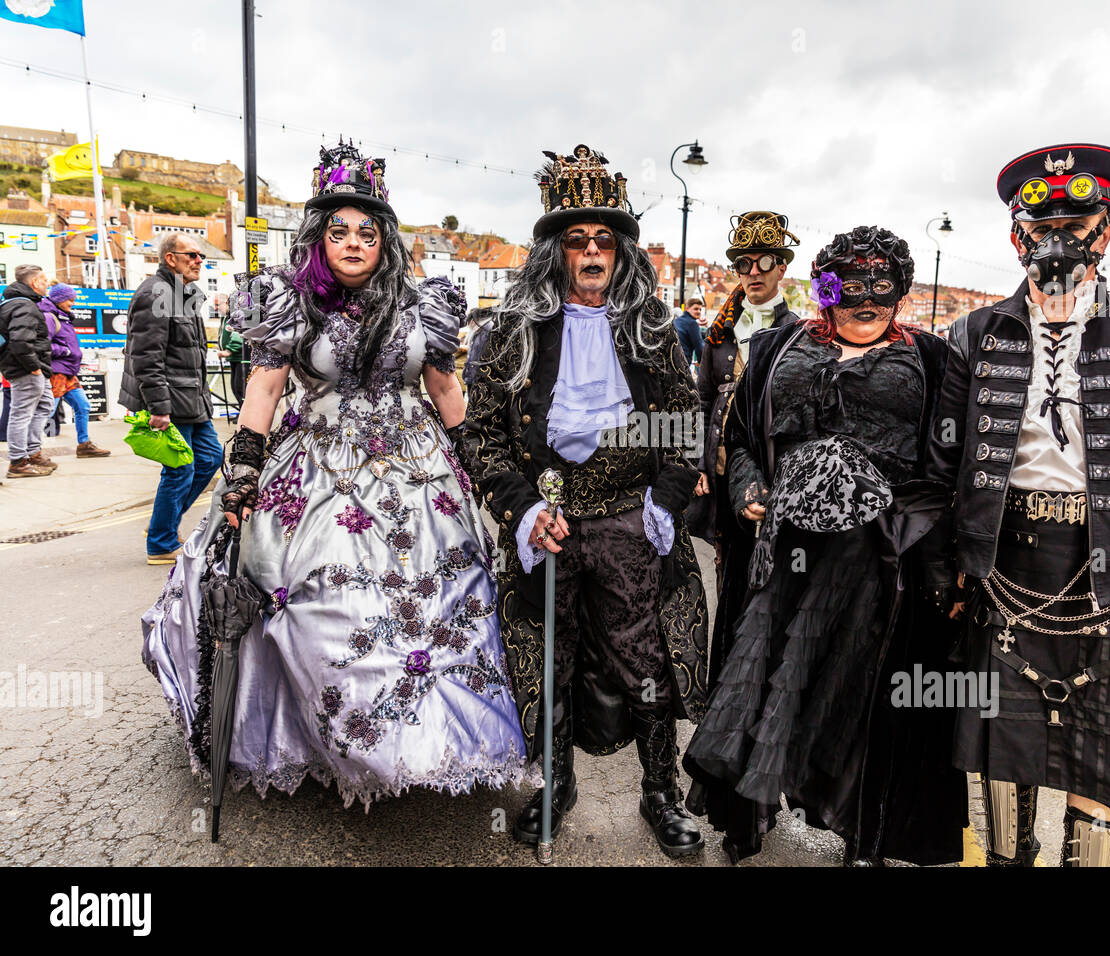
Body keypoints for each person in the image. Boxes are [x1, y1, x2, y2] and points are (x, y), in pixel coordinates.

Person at [140, 140, 527, 807]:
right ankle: (333, 741)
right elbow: (263, 391)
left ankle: (433, 747)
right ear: (320, 240)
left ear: (385, 242)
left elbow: (444, 391)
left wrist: (477, 462)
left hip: (416, 473)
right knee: (305, 593)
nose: (352, 243)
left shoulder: (421, 307)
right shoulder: (289, 303)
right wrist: (243, 474)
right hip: (315, 469)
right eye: (338, 231)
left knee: (441, 601)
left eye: (366, 233)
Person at [929, 144, 1110, 867]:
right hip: (1004, 567)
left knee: (1102, 773)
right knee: (1004, 762)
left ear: (1107, 229)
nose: (1058, 233)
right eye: (1040, 218)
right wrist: (944, 567)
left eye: (1076, 217)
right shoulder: (972, 333)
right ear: (1015, 234)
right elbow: (945, 465)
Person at [683, 225, 967, 865]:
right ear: (826, 288)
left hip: (876, 558)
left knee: (854, 692)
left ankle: (862, 832)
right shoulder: (778, 347)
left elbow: (951, 465)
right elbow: (743, 438)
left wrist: (939, 558)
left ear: (900, 290)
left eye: (882, 285)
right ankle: (743, 815)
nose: (867, 300)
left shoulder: (931, 360)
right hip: (782, 550)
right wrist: (748, 488)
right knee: (759, 675)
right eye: (851, 285)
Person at [463, 143, 709, 857]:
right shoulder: (510, 332)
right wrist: (521, 509)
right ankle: (557, 785)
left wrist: (665, 499)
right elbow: (481, 435)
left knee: (646, 662)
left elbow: (684, 423)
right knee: (550, 658)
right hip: (547, 527)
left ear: (622, 253)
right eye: (578, 242)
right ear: (557, 255)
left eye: (605, 240)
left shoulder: (653, 329)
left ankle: (659, 793)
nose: (594, 252)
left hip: (631, 521)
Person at [693, 211, 800, 553]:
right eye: (744, 263)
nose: (754, 272)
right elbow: (703, 400)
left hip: (768, 474)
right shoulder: (720, 329)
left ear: (781, 268)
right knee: (725, 561)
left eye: (764, 262)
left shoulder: (797, 333)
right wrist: (699, 465)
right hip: (719, 469)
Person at [120, 233, 224, 564]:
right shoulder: (155, 294)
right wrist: (159, 407)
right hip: (171, 399)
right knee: (180, 468)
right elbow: (147, 357)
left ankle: (161, 525)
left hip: (191, 398)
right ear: (170, 258)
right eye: (192, 255)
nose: (199, 261)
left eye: (201, 256)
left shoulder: (184, 294)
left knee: (209, 458)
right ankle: (161, 543)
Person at [41, 283, 110, 457]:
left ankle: (84, 445)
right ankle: (32, 450)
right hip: (57, 372)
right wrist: (65, 351)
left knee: (83, 406)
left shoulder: (63, 316)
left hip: (68, 372)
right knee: (47, 411)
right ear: (59, 299)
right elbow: (43, 344)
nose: (73, 302)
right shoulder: (49, 317)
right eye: (70, 299)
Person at [1, 264, 57, 478]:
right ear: (34, 282)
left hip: (33, 368)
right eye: (44, 281)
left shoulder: (20, 303)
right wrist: (33, 368)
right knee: (21, 413)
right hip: (27, 369)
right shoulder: (24, 306)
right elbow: (20, 341)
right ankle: (17, 462)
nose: (47, 285)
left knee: (45, 405)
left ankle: (33, 452)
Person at [673, 297, 706, 370]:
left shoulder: (677, 321)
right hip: (683, 362)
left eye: (700, 309)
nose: (698, 311)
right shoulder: (692, 323)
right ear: (687, 308)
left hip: (673, 361)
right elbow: (699, 347)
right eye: (696, 309)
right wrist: (702, 363)